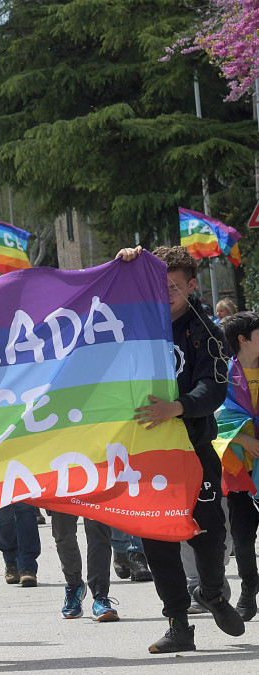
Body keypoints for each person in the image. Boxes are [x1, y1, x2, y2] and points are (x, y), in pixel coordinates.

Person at [119, 245, 244, 652]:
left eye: (175, 284)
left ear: (191, 286)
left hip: (193, 448)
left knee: (209, 534)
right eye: (160, 282)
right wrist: (126, 266)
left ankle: (212, 592)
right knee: (157, 537)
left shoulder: (207, 330)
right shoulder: (134, 324)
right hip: (147, 454)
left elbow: (214, 388)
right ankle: (177, 623)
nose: (167, 290)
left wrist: (178, 407)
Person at [214, 310, 259, 620]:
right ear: (243, 340)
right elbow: (215, 418)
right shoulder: (223, 376)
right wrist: (244, 441)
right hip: (241, 466)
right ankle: (248, 589)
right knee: (243, 537)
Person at [50, 510, 119, 621]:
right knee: (63, 533)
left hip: (95, 493)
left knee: (99, 532)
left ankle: (100, 596)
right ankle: (74, 585)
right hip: (62, 493)